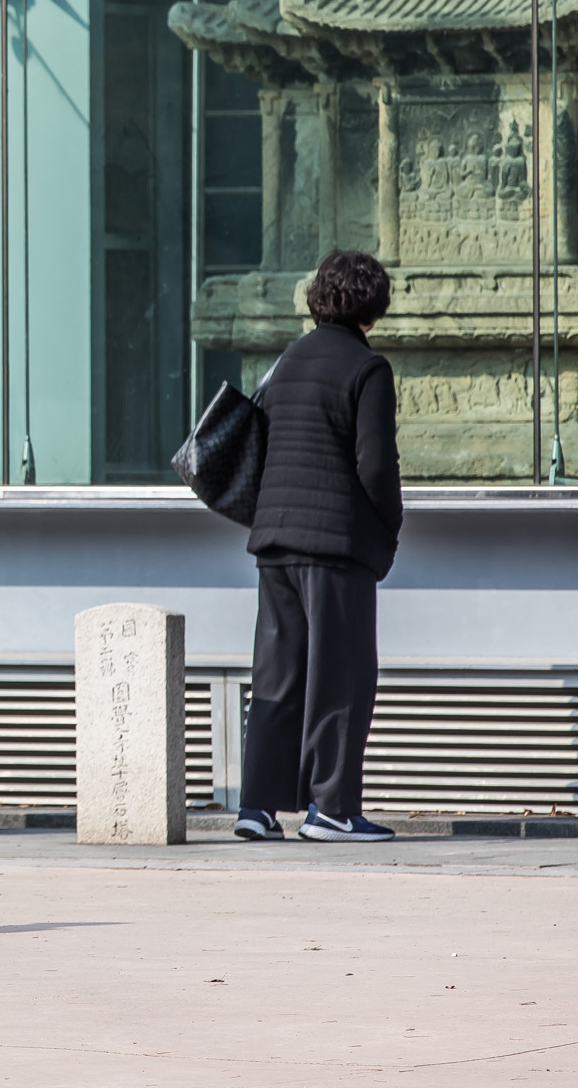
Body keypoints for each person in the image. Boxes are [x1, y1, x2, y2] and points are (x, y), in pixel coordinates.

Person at [234, 251, 403, 844]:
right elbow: (376, 467)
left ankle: (257, 808)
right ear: (373, 306)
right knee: (342, 676)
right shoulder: (367, 369)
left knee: (277, 677)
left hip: (274, 540)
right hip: (334, 545)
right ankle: (330, 808)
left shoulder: (287, 363)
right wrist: (389, 531)